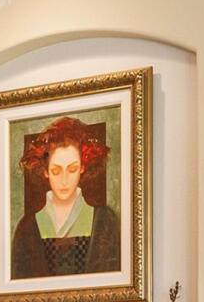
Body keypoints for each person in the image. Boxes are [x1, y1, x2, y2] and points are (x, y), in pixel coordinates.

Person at [10, 116, 123, 279]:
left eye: (72, 169)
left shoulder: (105, 221)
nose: (64, 180)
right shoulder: (27, 229)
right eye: (56, 171)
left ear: (82, 167)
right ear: (45, 171)